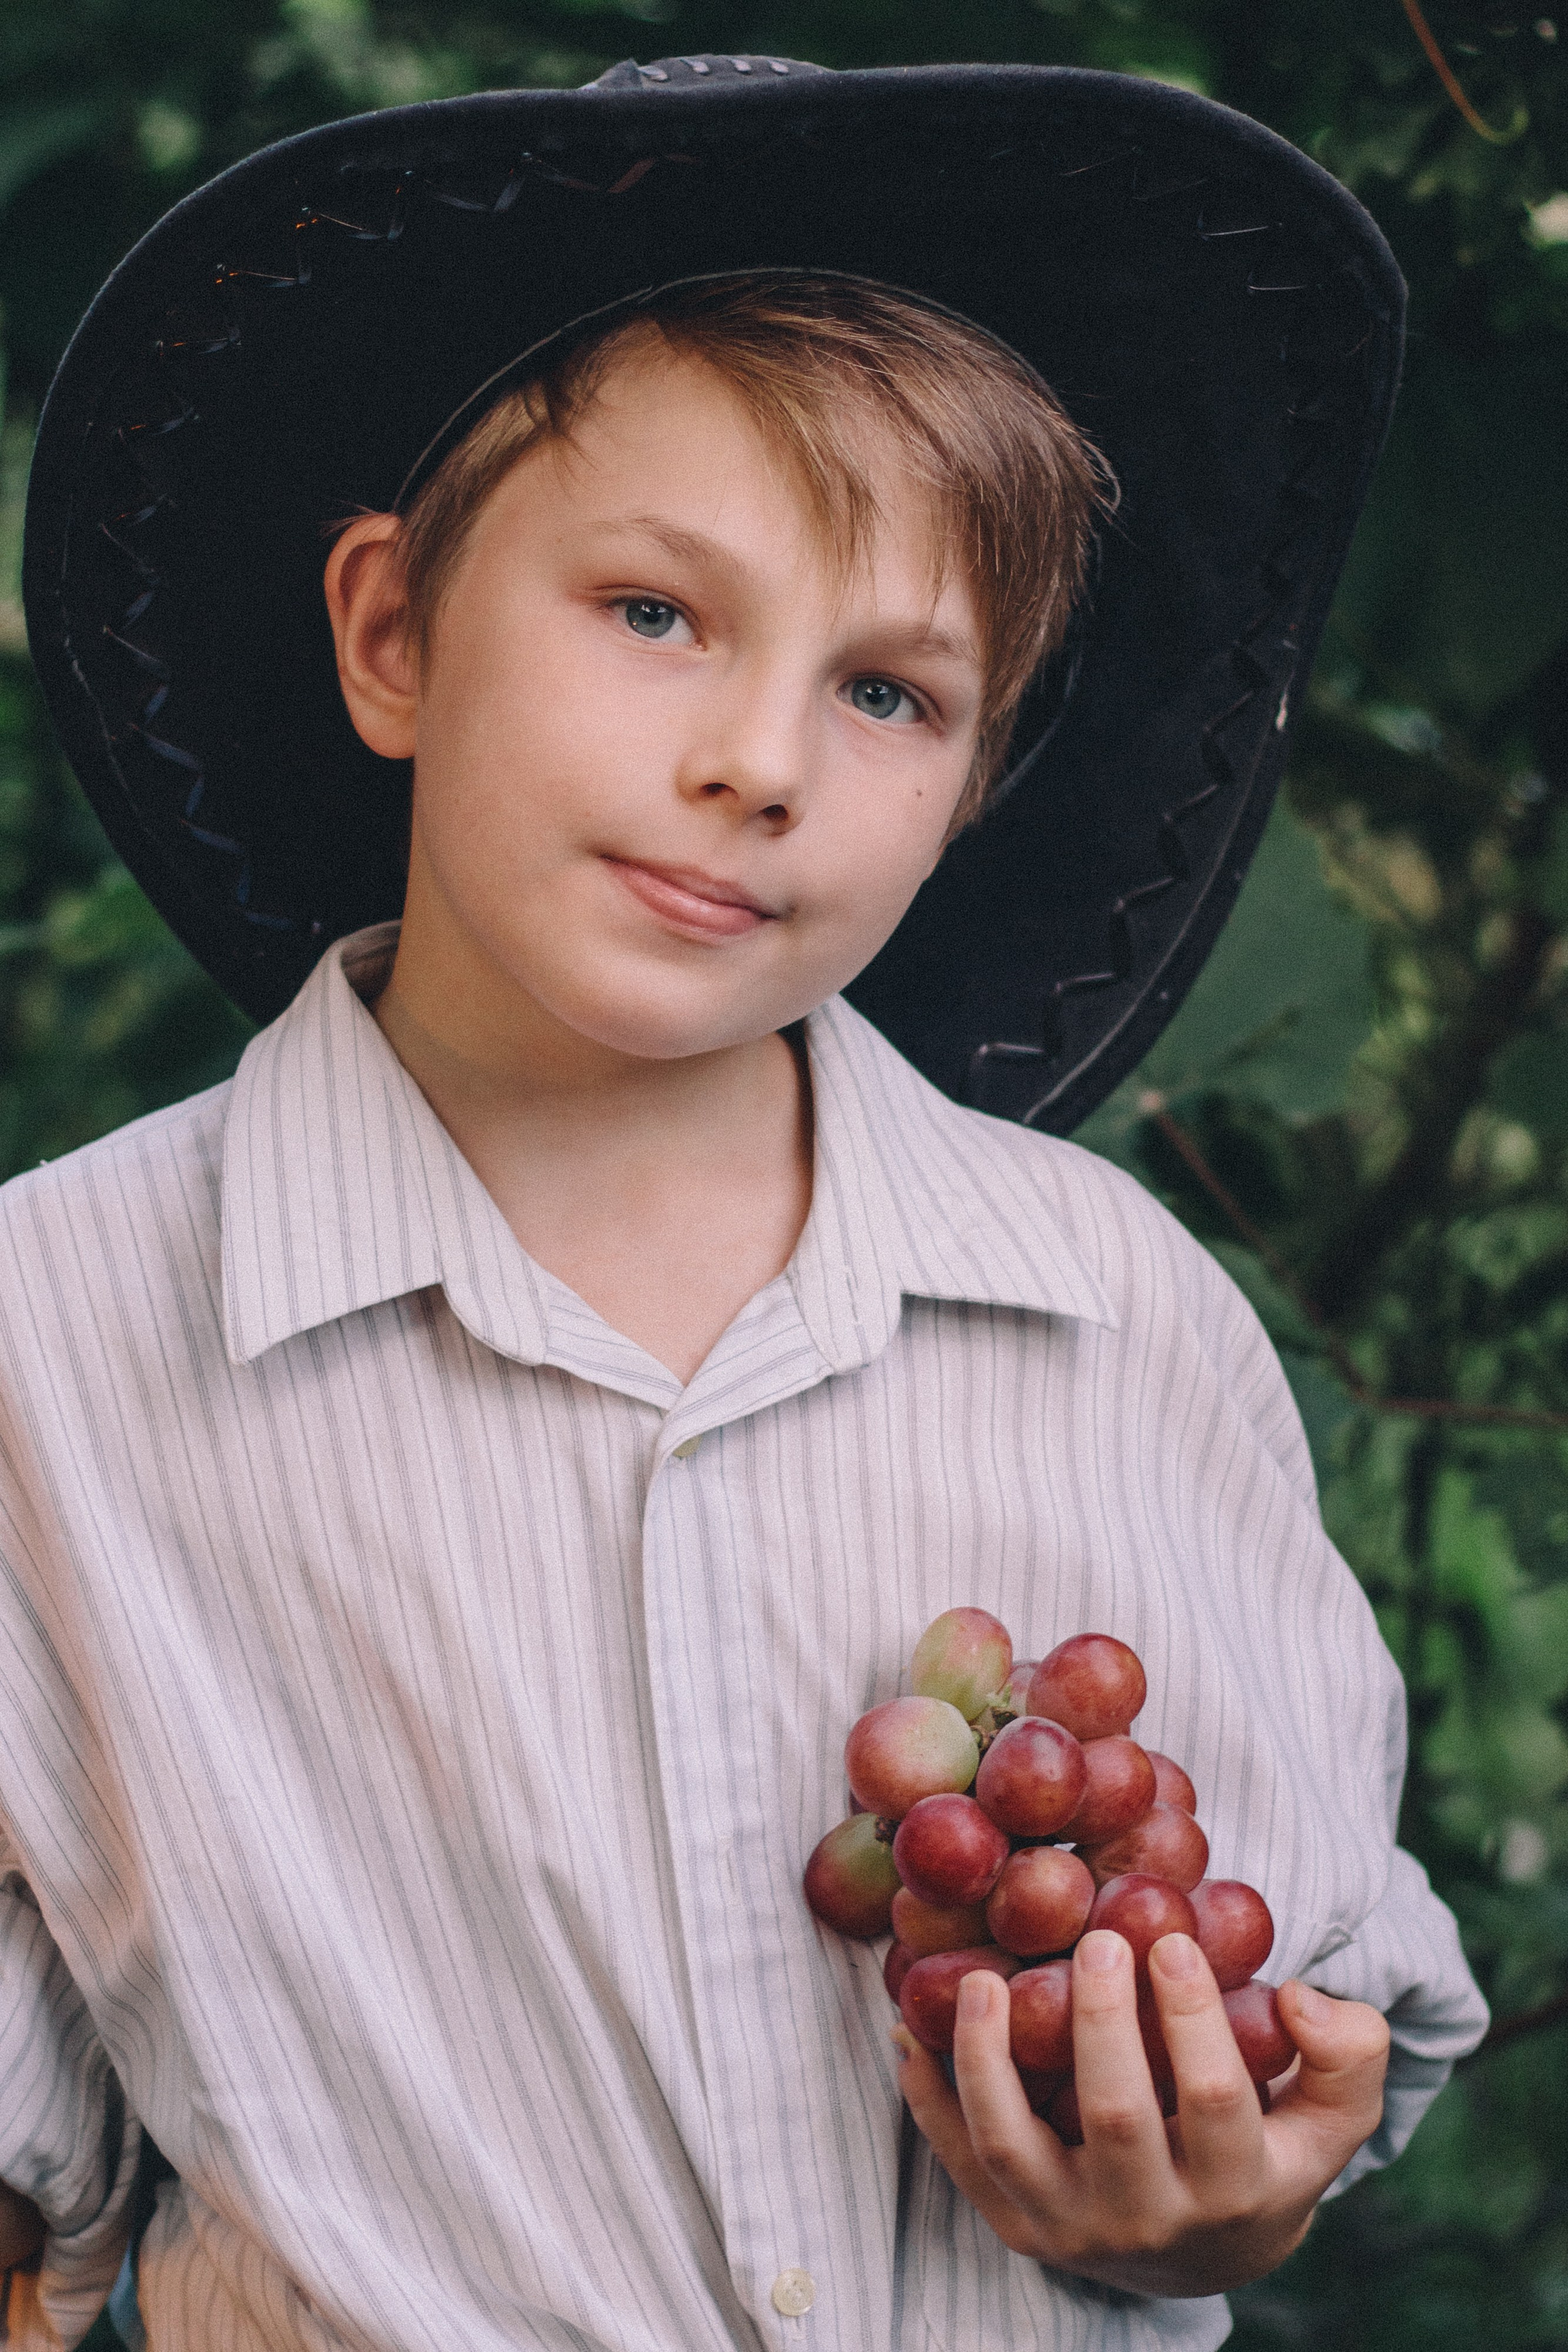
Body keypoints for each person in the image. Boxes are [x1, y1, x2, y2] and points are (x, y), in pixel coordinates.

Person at [6, 54, 1485, 2352]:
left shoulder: (1122, 1314)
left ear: (975, 789)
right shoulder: (49, 1345)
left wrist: (1212, 2192)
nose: (761, 765)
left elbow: (1301, 2043)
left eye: (890, 692)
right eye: (657, 616)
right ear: (394, 634)